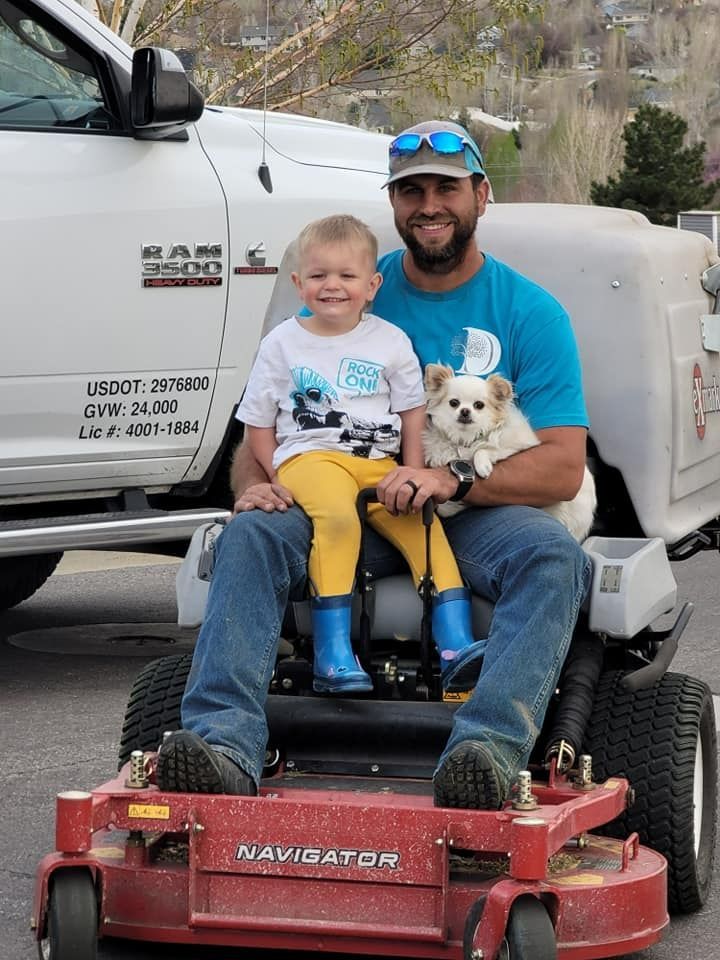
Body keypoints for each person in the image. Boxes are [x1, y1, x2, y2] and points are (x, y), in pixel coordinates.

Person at [158, 120, 592, 810]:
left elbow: (563, 468)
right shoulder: (347, 288)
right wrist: (253, 487)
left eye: (446, 188)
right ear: (393, 204)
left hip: (469, 513)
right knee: (247, 537)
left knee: (554, 558)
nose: (428, 205)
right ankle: (221, 746)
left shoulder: (530, 313)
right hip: (342, 500)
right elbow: (264, 426)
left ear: (481, 195)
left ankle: (485, 752)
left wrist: (452, 479)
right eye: (410, 190)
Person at [236, 213, 482, 695]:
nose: (332, 287)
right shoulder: (282, 343)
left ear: (371, 285)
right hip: (311, 461)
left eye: (347, 276)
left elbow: (411, 412)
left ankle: (456, 647)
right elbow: (258, 422)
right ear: (297, 282)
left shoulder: (389, 341)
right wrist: (274, 476)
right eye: (319, 275)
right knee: (337, 521)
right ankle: (332, 656)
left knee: (422, 526)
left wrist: (411, 472)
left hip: (376, 464)